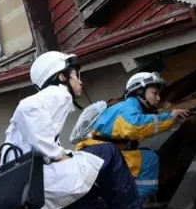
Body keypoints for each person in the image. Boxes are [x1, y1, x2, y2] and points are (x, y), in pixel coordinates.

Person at [4, 51, 163, 209]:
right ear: (61, 76)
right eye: (76, 75)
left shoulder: (55, 99)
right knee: (109, 153)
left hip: (30, 184)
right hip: (38, 180)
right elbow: (27, 108)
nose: (80, 81)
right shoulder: (57, 93)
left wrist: (58, 154)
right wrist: (56, 154)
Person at [75, 73, 189, 201]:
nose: (158, 98)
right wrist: (169, 118)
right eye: (154, 93)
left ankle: (122, 204)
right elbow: (135, 126)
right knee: (148, 160)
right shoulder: (127, 107)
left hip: (97, 153)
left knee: (143, 156)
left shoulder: (128, 108)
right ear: (140, 91)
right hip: (99, 154)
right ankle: (127, 206)